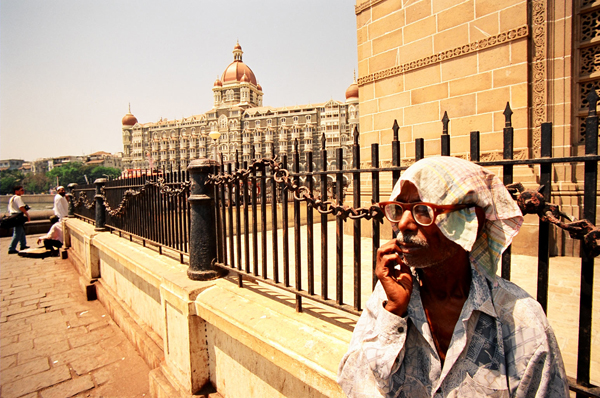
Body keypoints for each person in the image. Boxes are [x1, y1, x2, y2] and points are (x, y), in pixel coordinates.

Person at [338, 156, 569, 397]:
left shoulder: (519, 320)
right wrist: (393, 313)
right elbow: (353, 384)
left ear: (472, 221)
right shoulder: (388, 297)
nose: (403, 224)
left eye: (423, 210)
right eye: (399, 209)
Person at [7, 185, 30, 254]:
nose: (23, 191)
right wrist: (27, 214)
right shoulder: (18, 198)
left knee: (21, 230)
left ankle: (23, 245)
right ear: (16, 191)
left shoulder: (12, 198)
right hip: (17, 216)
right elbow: (21, 207)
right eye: (21, 190)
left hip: (13, 215)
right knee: (17, 232)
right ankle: (11, 248)